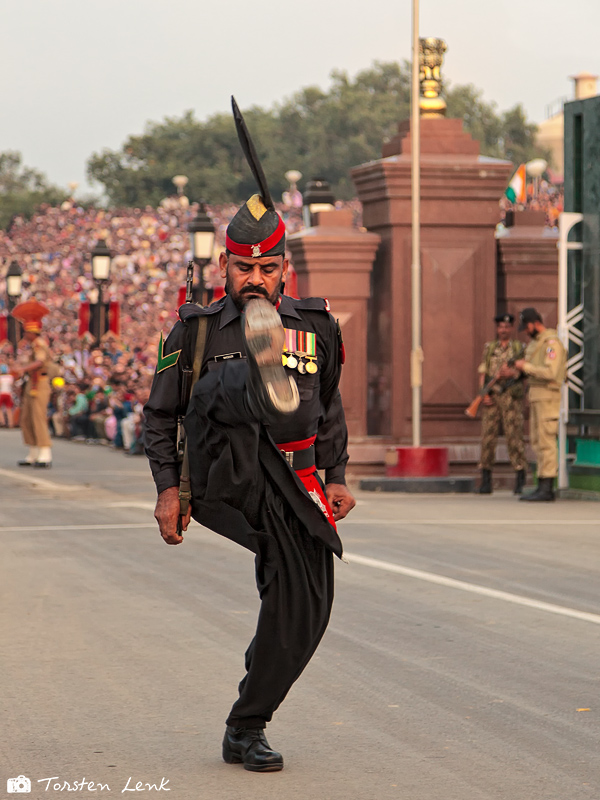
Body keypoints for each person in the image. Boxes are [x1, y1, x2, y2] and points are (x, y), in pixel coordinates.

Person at [144, 97, 355, 773]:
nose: (255, 280)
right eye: (243, 271)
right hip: (225, 473)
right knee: (221, 390)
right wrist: (168, 491)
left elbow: (330, 407)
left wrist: (339, 473)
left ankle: (250, 710)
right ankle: (250, 723)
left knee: (305, 603)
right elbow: (159, 414)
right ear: (224, 269)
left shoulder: (317, 327)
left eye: (266, 270)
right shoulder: (196, 330)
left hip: (297, 477)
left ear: (283, 268)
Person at [500, 307, 566, 501]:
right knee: (537, 441)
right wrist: (515, 372)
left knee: (546, 441)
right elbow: (529, 370)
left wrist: (525, 366)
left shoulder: (551, 343)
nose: (526, 331)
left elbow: (551, 373)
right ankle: (541, 483)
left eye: (527, 327)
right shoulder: (535, 344)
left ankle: (547, 487)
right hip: (536, 396)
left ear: (535, 323)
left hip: (548, 397)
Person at [476, 313, 527, 494]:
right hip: (493, 397)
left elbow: (525, 371)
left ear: (511, 328)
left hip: (511, 397)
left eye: (506, 327)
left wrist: (512, 374)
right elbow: (483, 371)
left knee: (514, 437)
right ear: (497, 329)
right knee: (488, 438)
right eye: (500, 327)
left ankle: (520, 477)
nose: (503, 330)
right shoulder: (489, 348)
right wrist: (483, 394)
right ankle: (486, 480)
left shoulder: (519, 348)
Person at [10, 299, 54, 467]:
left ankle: (45, 453)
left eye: (26, 331)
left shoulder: (39, 344)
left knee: (37, 417)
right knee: (27, 418)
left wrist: (23, 368)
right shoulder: (32, 346)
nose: (24, 334)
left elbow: (39, 362)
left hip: (40, 383)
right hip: (31, 384)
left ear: (32, 331)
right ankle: (34, 452)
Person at [0, 363, 15, 428]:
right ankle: (11, 423)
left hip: (2, 393)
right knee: (9, 409)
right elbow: (12, 385)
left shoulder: (1, 377)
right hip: (8, 394)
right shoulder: (10, 377)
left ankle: (2, 421)